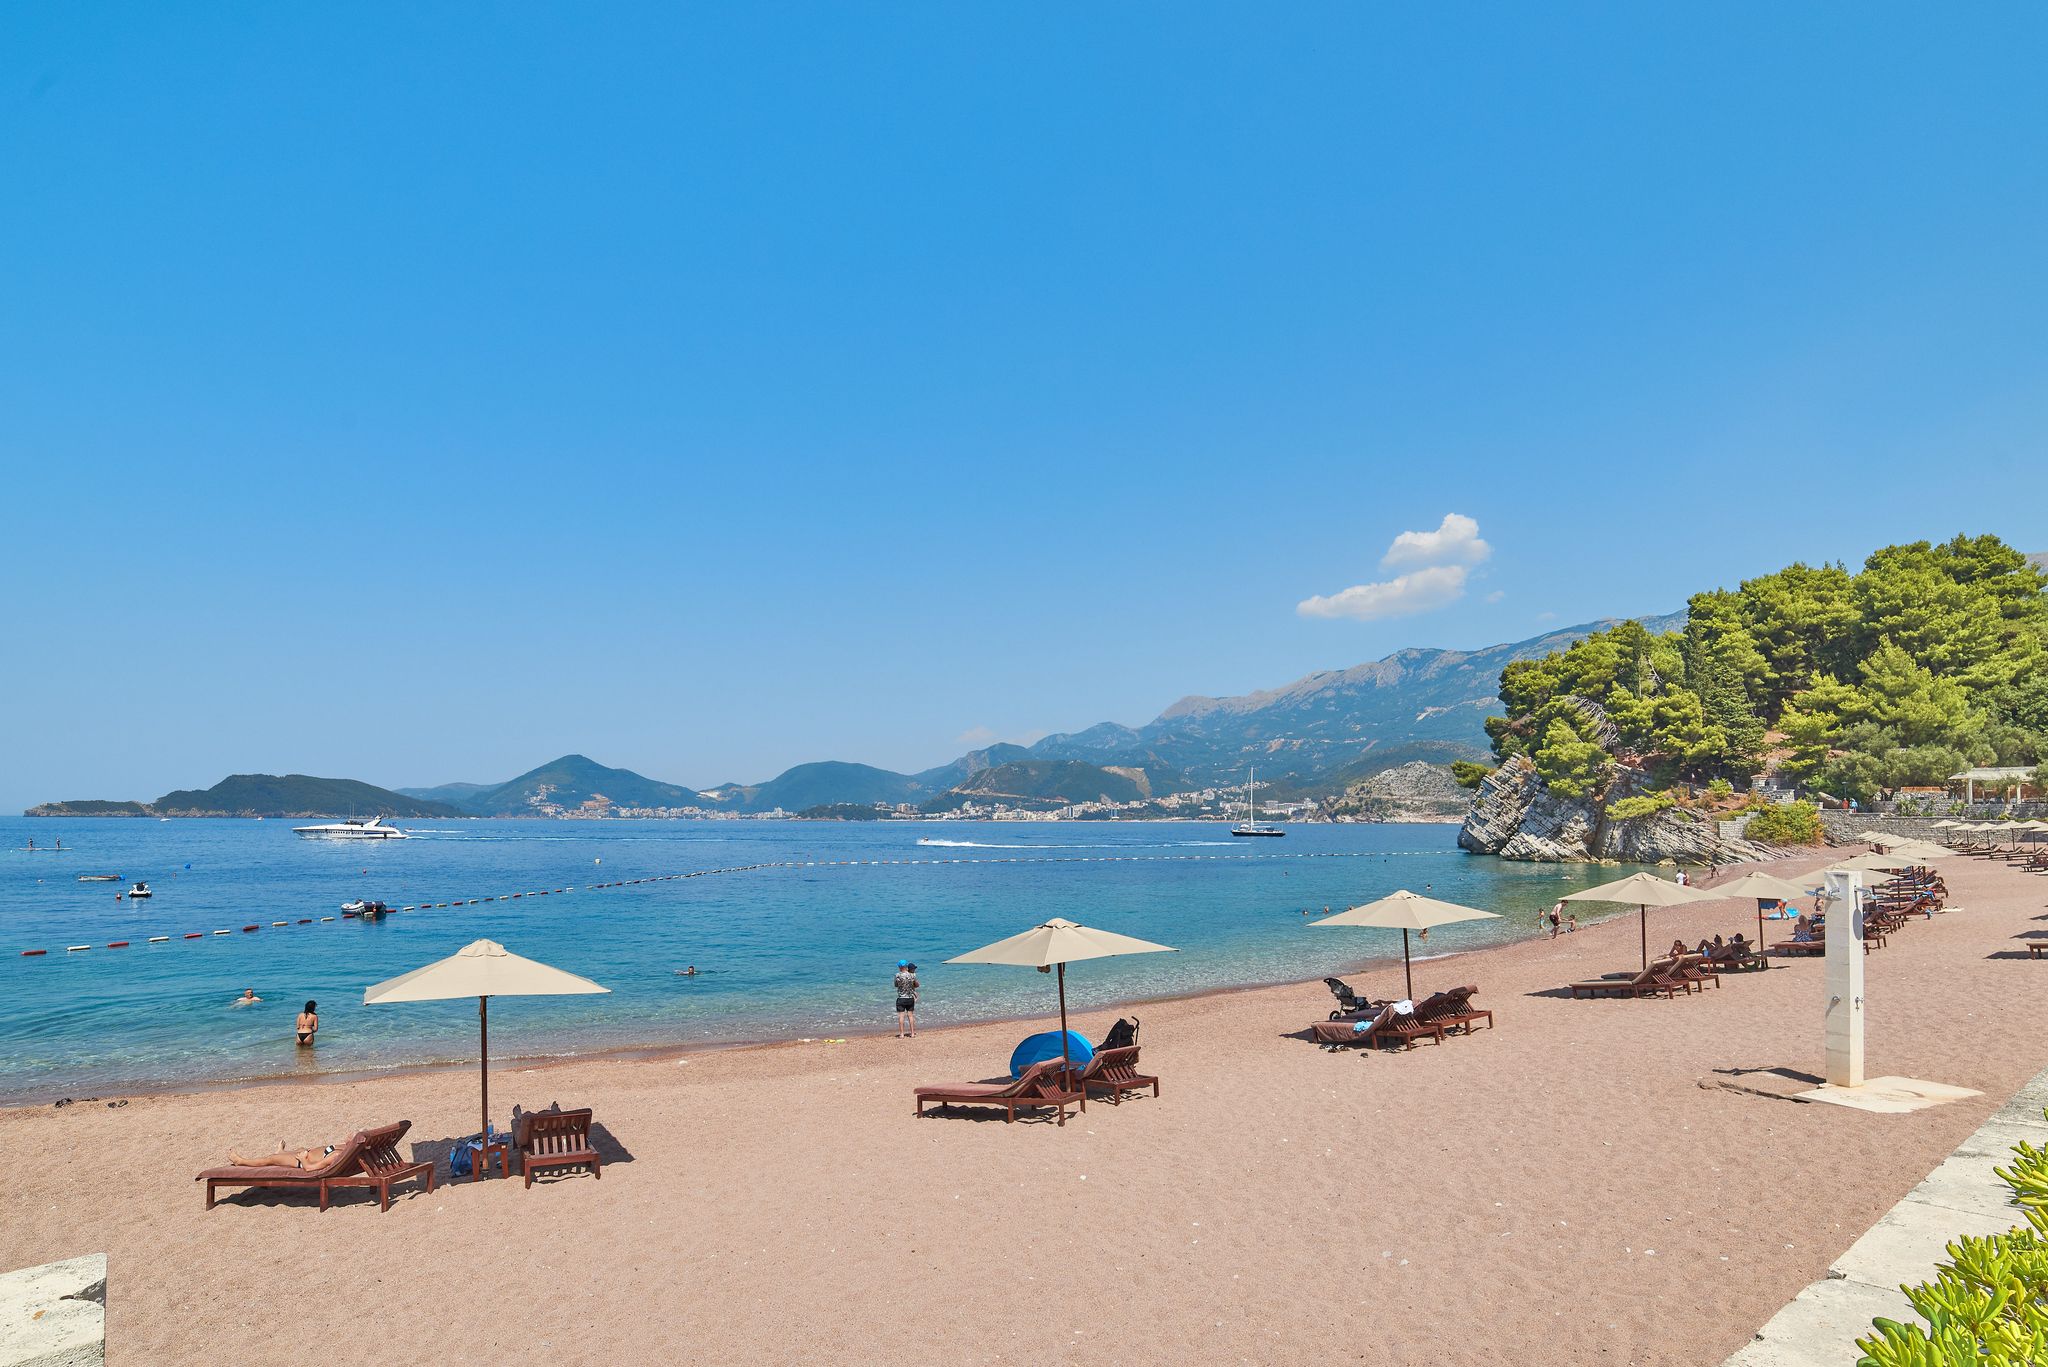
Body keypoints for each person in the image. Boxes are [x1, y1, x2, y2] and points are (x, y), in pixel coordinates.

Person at [226, 1141, 338, 1170]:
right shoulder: (345, 1150)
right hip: (307, 1153)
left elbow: (309, 1168)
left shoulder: (336, 1155)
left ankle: (241, 1161)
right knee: (301, 1148)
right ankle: (282, 1152)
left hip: (301, 1161)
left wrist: (303, 1159)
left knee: (271, 1159)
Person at [894, 960, 919, 1038]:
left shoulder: (897, 975)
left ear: (899, 967)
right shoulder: (912, 975)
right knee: (910, 1016)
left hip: (901, 998)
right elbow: (916, 985)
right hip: (910, 998)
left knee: (901, 1016)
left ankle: (902, 1034)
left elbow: (896, 985)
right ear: (906, 966)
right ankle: (912, 1033)